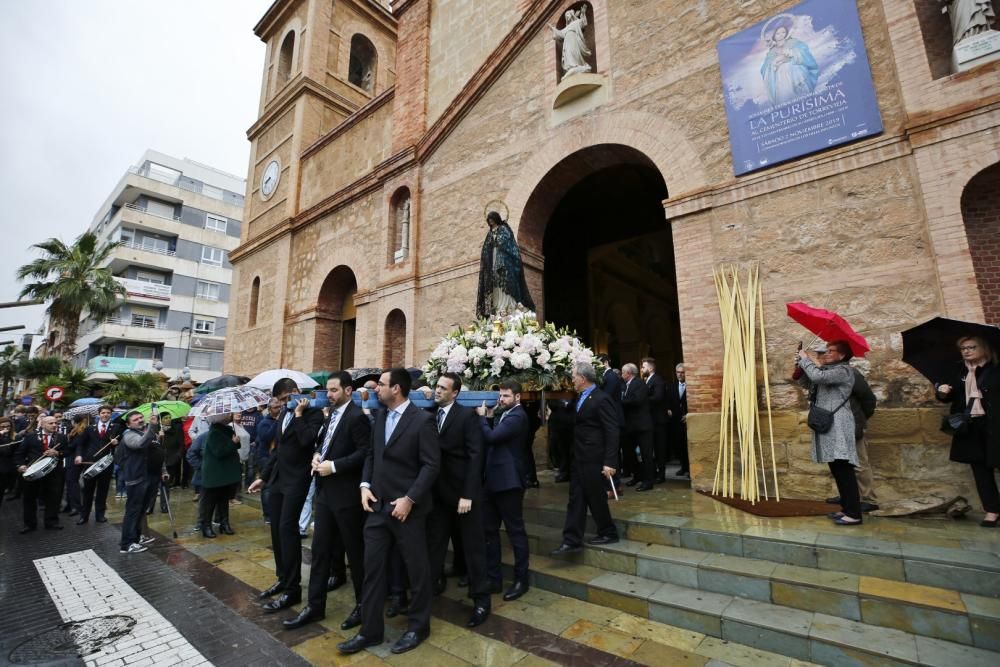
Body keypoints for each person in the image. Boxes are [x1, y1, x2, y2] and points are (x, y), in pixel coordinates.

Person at [338, 369, 440, 656]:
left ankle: (419, 627)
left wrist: (410, 499)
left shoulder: (423, 421)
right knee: (372, 570)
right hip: (378, 508)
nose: (375, 389)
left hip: (408, 510)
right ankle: (370, 632)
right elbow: (372, 454)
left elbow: (431, 466)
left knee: (416, 571)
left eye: (381, 385)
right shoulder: (380, 417)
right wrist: (364, 484)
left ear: (396, 389)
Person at [283, 371, 371, 631]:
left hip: (347, 497)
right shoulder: (331, 414)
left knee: (355, 555)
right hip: (325, 496)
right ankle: (314, 606)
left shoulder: (357, 417)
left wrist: (334, 467)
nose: (329, 395)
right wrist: (318, 455)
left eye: (334, 390)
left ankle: (363, 606)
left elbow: (365, 453)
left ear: (347, 391)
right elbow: (324, 441)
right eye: (328, 390)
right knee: (320, 553)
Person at [248, 378, 325, 613]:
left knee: (287, 529)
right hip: (278, 479)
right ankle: (282, 577)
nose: (282, 404)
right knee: (275, 529)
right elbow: (278, 449)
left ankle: (293, 589)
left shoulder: (313, 414)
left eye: (285, 399)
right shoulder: (283, 414)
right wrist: (264, 476)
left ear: (294, 393)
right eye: (280, 401)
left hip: (297, 479)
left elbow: (306, 441)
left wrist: (300, 414)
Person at [427, 372, 491, 627]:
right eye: (437, 386)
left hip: (464, 496)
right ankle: (428, 594)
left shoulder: (466, 416)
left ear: (455, 393)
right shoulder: (430, 414)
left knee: (474, 548)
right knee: (434, 546)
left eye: (443, 388)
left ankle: (481, 601)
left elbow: (476, 456)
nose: (438, 390)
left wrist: (469, 494)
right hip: (438, 495)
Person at [551, 363, 620, 554]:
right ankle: (571, 540)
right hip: (579, 456)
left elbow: (612, 431)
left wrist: (610, 462)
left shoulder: (601, 398)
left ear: (582, 378)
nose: (572, 379)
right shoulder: (579, 398)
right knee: (576, 498)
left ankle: (608, 532)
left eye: (573, 376)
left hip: (594, 458)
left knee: (595, 497)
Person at [936, 335, 999, 527]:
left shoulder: (995, 369)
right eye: (963, 348)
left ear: (984, 348)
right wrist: (942, 392)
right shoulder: (959, 371)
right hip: (972, 425)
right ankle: (992, 510)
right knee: (981, 471)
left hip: (995, 424)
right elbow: (948, 398)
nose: (966, 351)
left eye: (971, 347)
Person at [796, 341, 861, 525]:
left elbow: (817, 378)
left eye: (830, 351)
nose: (825, 353)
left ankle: (854, 514)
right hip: (830, 424)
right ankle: (847, 509)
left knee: (844, 469)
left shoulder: (844, 371)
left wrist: (806, 359)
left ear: (842, 356)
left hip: (839, 424)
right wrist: (800, 366)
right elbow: (809, 383)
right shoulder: (827, 372)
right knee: (837, 468)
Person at [478, 381, 531, 601]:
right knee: (489, 531)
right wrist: (490, 417)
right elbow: (496, 437)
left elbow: (491, 437)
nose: (501, 399)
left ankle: (521, 580)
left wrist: (481, 417)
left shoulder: (517, 416)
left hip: (509, 483)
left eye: (506, 396)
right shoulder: (505, 414)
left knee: (515, 531)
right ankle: (494, 578)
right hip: (493, 481)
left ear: (517, 398)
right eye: (500, 396)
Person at [824, 366, 879, 512]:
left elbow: (868, 399)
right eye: (822, 353)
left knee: (860, 463)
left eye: (828, 352)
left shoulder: (851, 373)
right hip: (837, 427)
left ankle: (869, 499)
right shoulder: (828, 375)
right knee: (842, 465)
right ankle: (848, 497)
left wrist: (859, 420)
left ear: (840, 354)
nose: (823, 356)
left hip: (852, 425)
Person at [475, 211, 535, 318]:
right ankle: (498, 306)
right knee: (495, 281)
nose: (491, 222)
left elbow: (510, 244)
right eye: (489, 220)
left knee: (505, 279)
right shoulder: (489, 233)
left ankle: (509, 305)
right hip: (492, 258)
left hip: (503, 259)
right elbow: (485, 249)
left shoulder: (504, 229)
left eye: (492, 219)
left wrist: (499, 241)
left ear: (496, 219)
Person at [16, 415, 68, 533]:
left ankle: (51, 522)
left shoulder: (62, 437)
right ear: (43, 424)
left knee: (54, 498)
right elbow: (19, 453)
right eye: (51, 423)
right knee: (29, 498)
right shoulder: (31, 437)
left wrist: (57, 452)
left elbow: (68, 451)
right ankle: (29, 524)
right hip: (34, 472)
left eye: (56, 423)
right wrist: (20, 465)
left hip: (54, 473)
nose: (55, 425)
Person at [118, 409, 159, 552]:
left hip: (148, 476)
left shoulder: (147, 432)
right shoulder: (129, 435)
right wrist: (153, 427)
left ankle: (135, 538)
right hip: (136, 478)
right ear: (129, 425)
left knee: (141, 510)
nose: (140, 420)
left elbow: (157, 452)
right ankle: (126, 544)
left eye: (141, 417)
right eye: (135, 419)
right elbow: (140, 444)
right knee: (133, 510)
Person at [199, 413, 243, 538]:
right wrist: (232, 443)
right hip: (215, 474)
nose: (231, 414)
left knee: (224, 500)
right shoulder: (214, 432)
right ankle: (206, 526)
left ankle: (224, 523)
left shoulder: (227, 429)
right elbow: (219, 452)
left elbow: (235, 446)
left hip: (225, 474)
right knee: (210, 502)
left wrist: (236, 442)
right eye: (228, 414)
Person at [760, 19, 818, 107]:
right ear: (774, 36)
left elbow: (804, 52)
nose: (781, 35)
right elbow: (764, 68)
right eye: (778, 33)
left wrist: (791, 53)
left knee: (802, 97)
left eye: (783, 32)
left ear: (787, 32)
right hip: (781, 79)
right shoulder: (772, 51)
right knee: (785, 99)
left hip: (796, 73)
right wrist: (773, 64)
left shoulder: (794, 42)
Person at [79, 405, 119, 522]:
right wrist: (79, 455)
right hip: (90, 462)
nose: (105, 414)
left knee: (103, 490)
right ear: (99, 414)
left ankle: (100, 515)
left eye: (108, 412)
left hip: (106, 463)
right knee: (88, 490)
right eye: (103, 413)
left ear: (110, 414)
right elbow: (81, 444)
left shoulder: (116, 427)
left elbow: (121, 442)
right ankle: (84, 516)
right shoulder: (89, 428)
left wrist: (116, 442)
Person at [620, 363, 654, 491]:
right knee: (629, 453)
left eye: (623, 372)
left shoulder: (639, 383)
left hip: (642, 426)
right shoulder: (626, 385)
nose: (622, 375)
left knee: (646, 455)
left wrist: (620, 403)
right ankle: (637, 476)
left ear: (629, 373)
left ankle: (648, 481)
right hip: (631, 427)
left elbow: (637, 400)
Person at [253, 398, 282, 524]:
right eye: (276, 407)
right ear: (269, 409)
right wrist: (277, 422)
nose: (279, 409)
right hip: (265, 458)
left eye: (280, 407)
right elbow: (266, 437)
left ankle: (275, 511)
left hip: (277, 457)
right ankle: (267, 514)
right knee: (267, 486)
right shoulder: (264, 423)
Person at [641, 358, 669, 483]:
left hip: (659, 420)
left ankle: (661, 474)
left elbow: (658, 397)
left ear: (651, 368)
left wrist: (643, 400)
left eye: (644, 367)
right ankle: (656, 472)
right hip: (652, 420)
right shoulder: (648, 380)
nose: (642, 369)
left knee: (660, 447)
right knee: (654, 447)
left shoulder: (657, 380)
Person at [549, 7, 593, 77]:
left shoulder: (576, 22)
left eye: (568, 15)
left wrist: (583, 13)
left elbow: (584, 23)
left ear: (572, 15)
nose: (567, 17)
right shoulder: (566, 28)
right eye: (566, 16)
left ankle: (577, 65)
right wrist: (553, 29)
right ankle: (572, 67)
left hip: (574, 40)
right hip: (567, 43)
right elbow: (559, 34)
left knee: (574, 52)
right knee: (569, 53)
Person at [667, 363, 690, 478]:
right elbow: (667, 401)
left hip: (688, 422)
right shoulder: (672, 386)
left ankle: (690, 470)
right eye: (678, 372)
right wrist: (668, 409)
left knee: (688, 445)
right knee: (679, 445)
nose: (680, 375)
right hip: (676, 422)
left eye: (682, 372)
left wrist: (688, 415)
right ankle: (683, 467)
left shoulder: (691, 387)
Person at [161, 413, 184, 489]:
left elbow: (181, 443)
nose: (168, 420)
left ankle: (174, 483)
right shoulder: (158, 430)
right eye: (165, 418)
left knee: (172, 474)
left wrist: (178, 455)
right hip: (163, 457)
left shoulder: (176, 429)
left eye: (169, 417)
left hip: (174, 457)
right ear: (160, 420)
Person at [0, 417, 18, 509]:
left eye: (8, 426)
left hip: (5, 469)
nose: (5, 429)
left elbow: (9, 452)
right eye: (2, 426)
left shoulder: (12, 437)